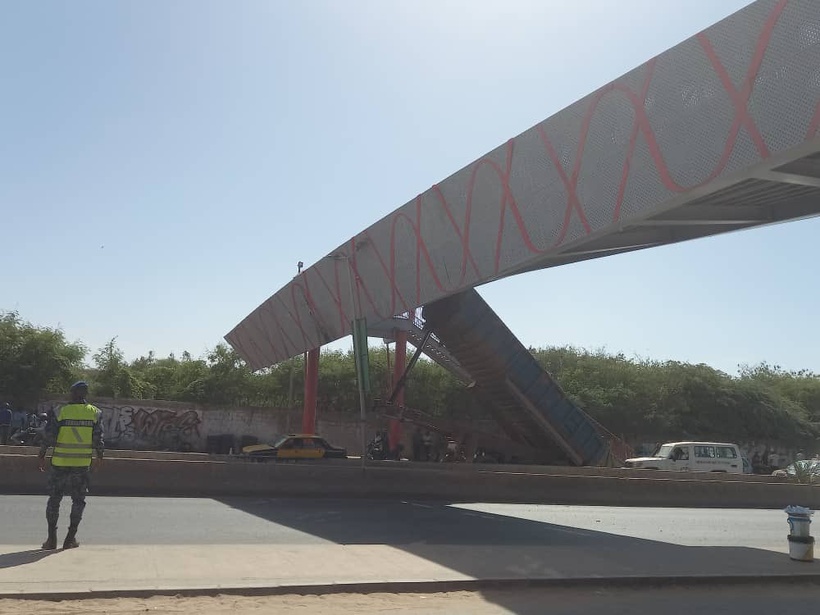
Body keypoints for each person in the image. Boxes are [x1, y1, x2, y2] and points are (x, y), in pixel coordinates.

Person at [37, 381, 104, 550]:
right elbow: (98, 439)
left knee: (54, 499)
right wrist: (99, 458)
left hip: (60, 463)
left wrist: (41, 454)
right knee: (78, 501)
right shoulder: (95, 413)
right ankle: (70, 539)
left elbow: (49, 436)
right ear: (85, 394)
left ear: (73, 393)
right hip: (81, 465)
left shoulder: (60, 411)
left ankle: (51, 539)